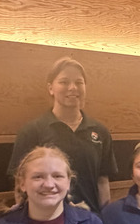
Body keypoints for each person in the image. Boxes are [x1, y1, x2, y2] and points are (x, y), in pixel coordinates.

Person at [7, 57, 117, 212]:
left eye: (79, 82)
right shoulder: (32, 131)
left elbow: (102, 181)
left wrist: (105, 219)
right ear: (51, 88)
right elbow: (20, 183)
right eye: (64, 82)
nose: (72, 87)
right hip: (48, 222)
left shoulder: (100, 131)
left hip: (90, 223)